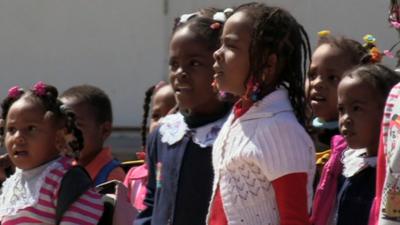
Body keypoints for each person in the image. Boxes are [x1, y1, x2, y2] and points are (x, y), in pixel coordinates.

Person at [209, 3, 315, 224]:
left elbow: (294, 219)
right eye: (221, 44)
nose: (217, 53)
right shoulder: (240, 116)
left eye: (231, 46)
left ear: (268, 63)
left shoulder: (280, 130)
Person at [134, 8, 232, 225]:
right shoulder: (163, 134)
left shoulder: (233, 134)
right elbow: (153, 199)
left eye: (194, 63)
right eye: (174, 64)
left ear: (221, 67)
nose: (180, 73)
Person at [0, 81, 103, 224]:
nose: (18, 137)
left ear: (59, 138)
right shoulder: (11, 183)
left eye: (31, 129)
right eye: (11, 129)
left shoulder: (67, 180)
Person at [331, 64, 400, 225]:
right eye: (341, 109)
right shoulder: (347, 166)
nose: (345, 119)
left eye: (356, 108)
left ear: (387, 112)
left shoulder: (393, 174)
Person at [307, 31, 369, 181]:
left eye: (332, 78)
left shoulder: (357, 139)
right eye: (312, 75)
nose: (317, 83)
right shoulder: (299, 129)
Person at [124, 81, 176, 212]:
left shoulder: (186, 172)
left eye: (172, 115)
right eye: (156, 116)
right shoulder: (133, 176)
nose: (161, 122)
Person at [60, 84, 126, 185]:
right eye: (60, 126)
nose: (66, 134)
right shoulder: (62, 170)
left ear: (105, 130)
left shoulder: (112, 178)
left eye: (76, 125)